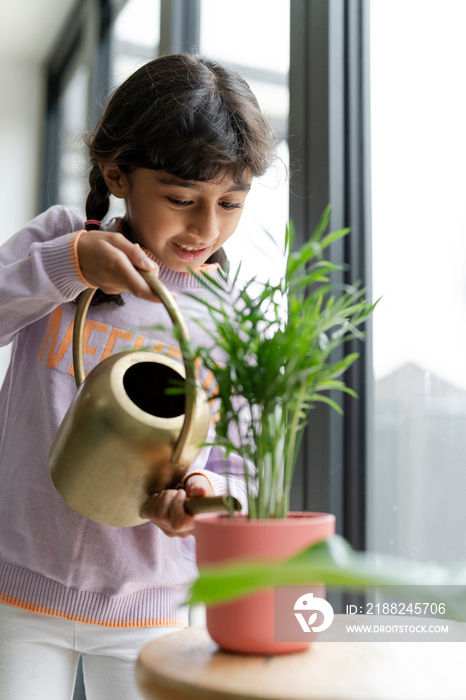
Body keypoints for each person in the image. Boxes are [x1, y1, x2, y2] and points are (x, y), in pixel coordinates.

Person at [0, 54, 275, 699]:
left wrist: (202, 499)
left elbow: (242, 468)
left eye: (231, 204)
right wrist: (65, 265)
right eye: (182, 199)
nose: (206, 228)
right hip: (16, 587)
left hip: (147, 608)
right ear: (116, 174)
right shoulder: (63, 245)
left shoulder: (230, 315)